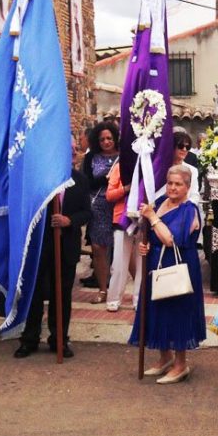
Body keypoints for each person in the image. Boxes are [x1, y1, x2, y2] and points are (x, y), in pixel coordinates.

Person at [129, 165, 206, 384]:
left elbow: (172, 239)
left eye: (178, 184)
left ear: (187, 187)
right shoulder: (162, 202)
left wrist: (152, 217)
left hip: (179, 265)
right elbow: (153, 234)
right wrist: (146, 247)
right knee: (158, 308)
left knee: (177, 311)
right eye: (170, 183)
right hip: (157, 264)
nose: (173, 188)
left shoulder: (189, 209)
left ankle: (181, 364)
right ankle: (165, 357)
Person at [14, 139, 91, 359]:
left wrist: (69, 220)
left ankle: (59, 338)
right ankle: (29, 339)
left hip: (65, 246)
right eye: (69, 151)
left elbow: (87, 212)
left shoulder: (80, 180)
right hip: (40, 246)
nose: (74, 154)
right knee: (34, 293)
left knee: (62, 294)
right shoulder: (39, 179)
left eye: (75, 151)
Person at [82, 121, 119, 304]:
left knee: (123, 249)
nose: (106, 142)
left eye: (109, 138)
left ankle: (136, 291)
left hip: (119, 205)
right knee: (98, 248)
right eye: (102, 139)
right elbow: (87, 183)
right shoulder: (91, 158)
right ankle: (103, 289)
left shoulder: (124, 157)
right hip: (97, 206)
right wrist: (106, 179)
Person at [104, 161, 142, 312]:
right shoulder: (120, 166)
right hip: (122, 219)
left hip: (145, 218)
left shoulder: (152, 164)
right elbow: (110, 194)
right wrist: (127, 188)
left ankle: (139, 299)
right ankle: (113, 299)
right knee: (119, 263)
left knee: (142, 263)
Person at [172, 130, 200, 206]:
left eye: (187, 147)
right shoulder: (162, 169)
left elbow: (195, 195)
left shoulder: (192, 170)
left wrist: (185, 208)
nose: (184, 149)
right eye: (181, 146)